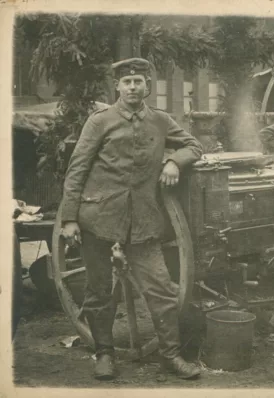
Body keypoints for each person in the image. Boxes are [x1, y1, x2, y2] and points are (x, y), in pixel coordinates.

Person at [59, 58, 204, 381]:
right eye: (127, 83)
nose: (133, 87)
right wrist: (69, 218)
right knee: (98, 292)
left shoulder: (161, 121)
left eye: (138, 81)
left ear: (147, 87)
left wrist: (175, 162)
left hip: (142, 221)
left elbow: (195, 145)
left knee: (162, 290)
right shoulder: (100, 121)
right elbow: (78, 168)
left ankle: (170, 356)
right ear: (117, 87)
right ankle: (104, 354)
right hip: (99, 217)